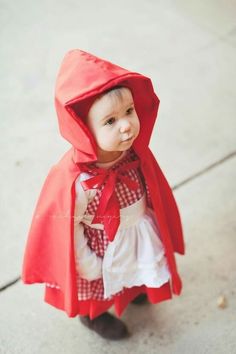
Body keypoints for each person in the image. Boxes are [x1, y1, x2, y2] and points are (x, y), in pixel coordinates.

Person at [22, 49, 185, 340]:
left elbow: (153, 192)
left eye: (129, 111)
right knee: (96, 286)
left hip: (133, 232)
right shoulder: (80, 181)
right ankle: (93, 316)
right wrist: (87, 262)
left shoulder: (134, 155)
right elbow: (67, 225)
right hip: (99, 246)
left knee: (136, 262)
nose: (125, 125)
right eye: (110, 121)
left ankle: (134, 286)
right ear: (83, 130)